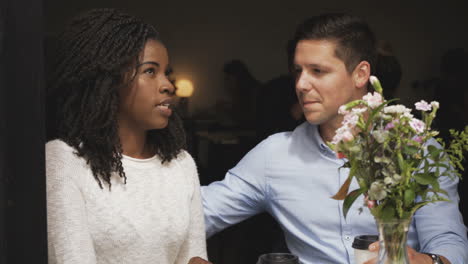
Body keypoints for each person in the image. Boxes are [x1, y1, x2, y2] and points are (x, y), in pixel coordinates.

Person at [201, 13, 468, 264]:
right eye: (298, 71)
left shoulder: (414, 149)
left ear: (361, 74)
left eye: (317, 71)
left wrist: (429, 261)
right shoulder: (275, 155)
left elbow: (448, 241)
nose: (301, 85)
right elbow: (197, 215)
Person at [46, 8, 209, 264]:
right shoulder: (65, 161)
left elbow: (193, 259)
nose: (167, 84)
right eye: (150, 71)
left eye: (167, 72)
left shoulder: (181, 164)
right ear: (108, 82)